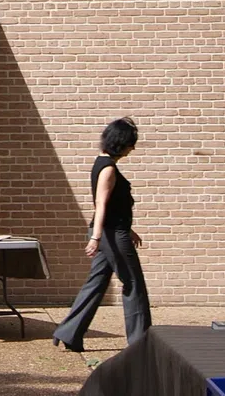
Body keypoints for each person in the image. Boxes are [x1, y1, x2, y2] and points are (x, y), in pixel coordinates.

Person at [52, 117, 152, 351]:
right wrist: (96, 238)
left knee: (96, 283)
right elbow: (101, 204)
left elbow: (114, 205)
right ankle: (141, 342)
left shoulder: (102, 163)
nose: (133, 148)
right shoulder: (108, 169)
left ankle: (69, 333)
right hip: (110, 235)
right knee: (133, 284)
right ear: (120, 143)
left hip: (111, 231)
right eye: (130, 143)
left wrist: (129, 229)